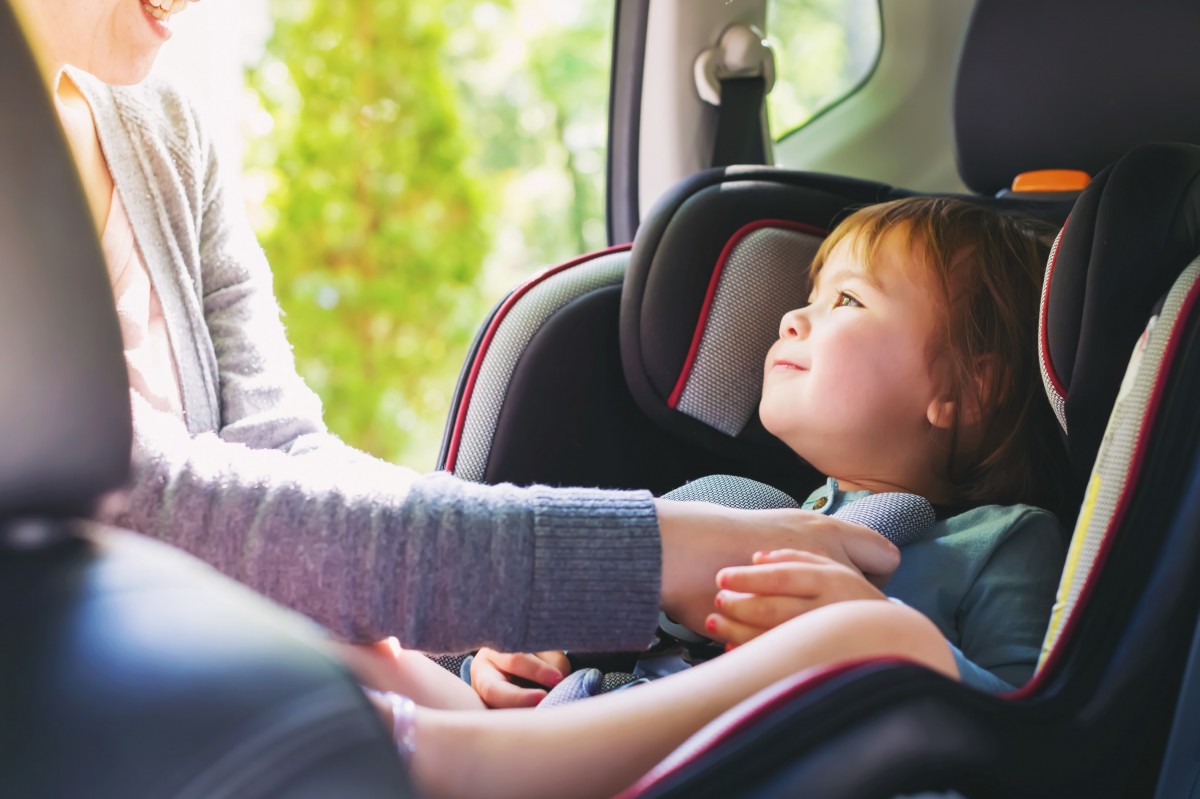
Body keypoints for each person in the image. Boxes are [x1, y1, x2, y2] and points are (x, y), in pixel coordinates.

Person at [10, 0, 898, 658]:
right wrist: (652, 548)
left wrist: (479, 631)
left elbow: (278, 451)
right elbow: (144, 504)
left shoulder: (164, 132)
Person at [341, 196, 1070, 798]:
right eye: (807, 296)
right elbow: (592, 647)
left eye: (846, 299)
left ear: (968, 388)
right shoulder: (725, 508)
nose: (793, 317)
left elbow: (1017, 738)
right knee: (355, 647)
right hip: (572, 728)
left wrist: (878, 633)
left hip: (735, 768)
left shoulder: (1001, 541)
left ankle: (436, 754)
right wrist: (501, 666)